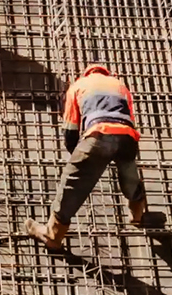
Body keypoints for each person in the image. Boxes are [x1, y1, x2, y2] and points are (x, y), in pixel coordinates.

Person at [28, 63, 151, 250]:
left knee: (71, 181)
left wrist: (79, 157)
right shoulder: (120, 85)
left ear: (86, 74)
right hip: (127, 135)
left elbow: (70, 130)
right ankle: (137, 215)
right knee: (128, 171)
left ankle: (53, 234)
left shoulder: (78, 85)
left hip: (98, 133)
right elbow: (130, 118)